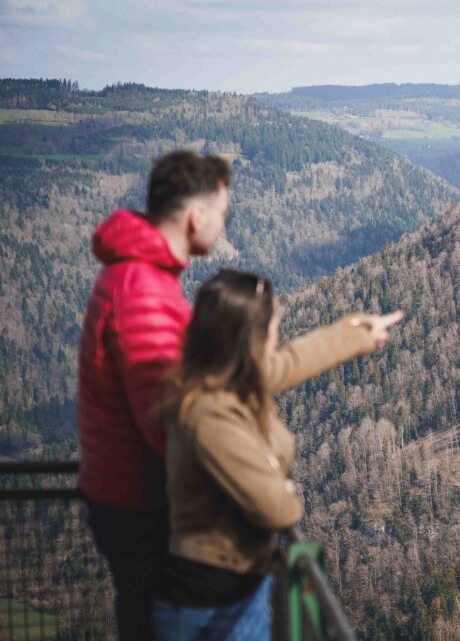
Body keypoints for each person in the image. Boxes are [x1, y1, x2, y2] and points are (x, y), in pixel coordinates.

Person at [152, 269, 402, 639]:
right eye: (273, 327)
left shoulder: (223, 382)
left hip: (237, 588)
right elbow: (278, 510)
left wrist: (358, 333)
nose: (277, 336)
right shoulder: (211, 415)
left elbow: (294, 360)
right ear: (250, 337)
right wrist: (280, 488)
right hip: (209, 608)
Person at [76, 150, 231, 640]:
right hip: (143, 504)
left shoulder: (134, 276)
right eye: (222, 213)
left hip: (125, 495)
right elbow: (166, 420)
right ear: (196, 216)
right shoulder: (142, 290)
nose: (223, 225)